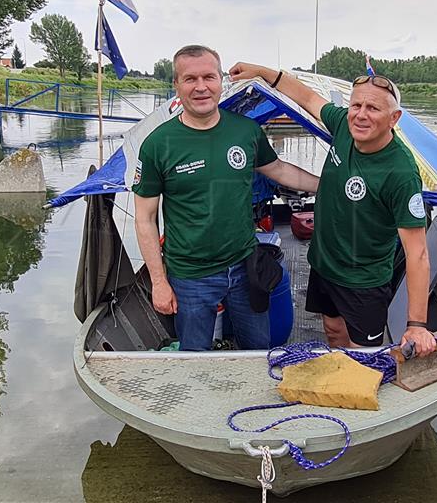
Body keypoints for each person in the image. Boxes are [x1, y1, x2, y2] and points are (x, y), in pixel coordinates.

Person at [228, 62, 437, 357]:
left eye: (374, 109)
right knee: (333, 332)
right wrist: (261, 72)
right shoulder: (343, 125)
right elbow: (308, 98)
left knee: (365, 356)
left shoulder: (401, 173)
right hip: (325, 266)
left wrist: (417, 324)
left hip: (363, 281)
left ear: (394, 118)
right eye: (357, 105)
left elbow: (418, 254)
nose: (361, 115)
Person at [133, 45, 319, 351]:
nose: (201, 87)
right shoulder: (157, 144)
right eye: (190, 79)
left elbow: (279, 170)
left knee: (257, 349)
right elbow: (145, 218)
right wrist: (159, 282)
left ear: (221, 81)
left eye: (209, 76)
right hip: (191, 275)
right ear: (176, 85)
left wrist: (327, 186)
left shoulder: (245, 131)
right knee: (194, 356)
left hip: (245, 266)